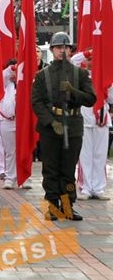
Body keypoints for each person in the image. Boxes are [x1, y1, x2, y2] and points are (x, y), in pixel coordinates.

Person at [31, 32, 95, 220]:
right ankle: (52, 206)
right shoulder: (42, 75)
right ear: (52, 50)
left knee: (68, 170)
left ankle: (67, 206)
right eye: (59, 47)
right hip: (51, 128)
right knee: (51, 169)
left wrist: (72, 91)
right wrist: (51, 122)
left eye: (66, 47)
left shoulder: (80, 74)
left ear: (71, 50)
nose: (63, 51)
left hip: (73, 125)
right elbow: (36, 102)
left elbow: (91, 99)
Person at [71, 50, 112, 201]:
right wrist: (89, 51)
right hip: (86, 119)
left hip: (102, 119)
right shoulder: (80, 75)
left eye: (95, 58)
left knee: (100, 155)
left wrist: (109, 83)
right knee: (85, 155)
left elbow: (112, 98)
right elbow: (72, 61)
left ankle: (99, 188)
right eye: (90, 59)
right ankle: (86, 187)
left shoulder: (106, 76)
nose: (92, 61)